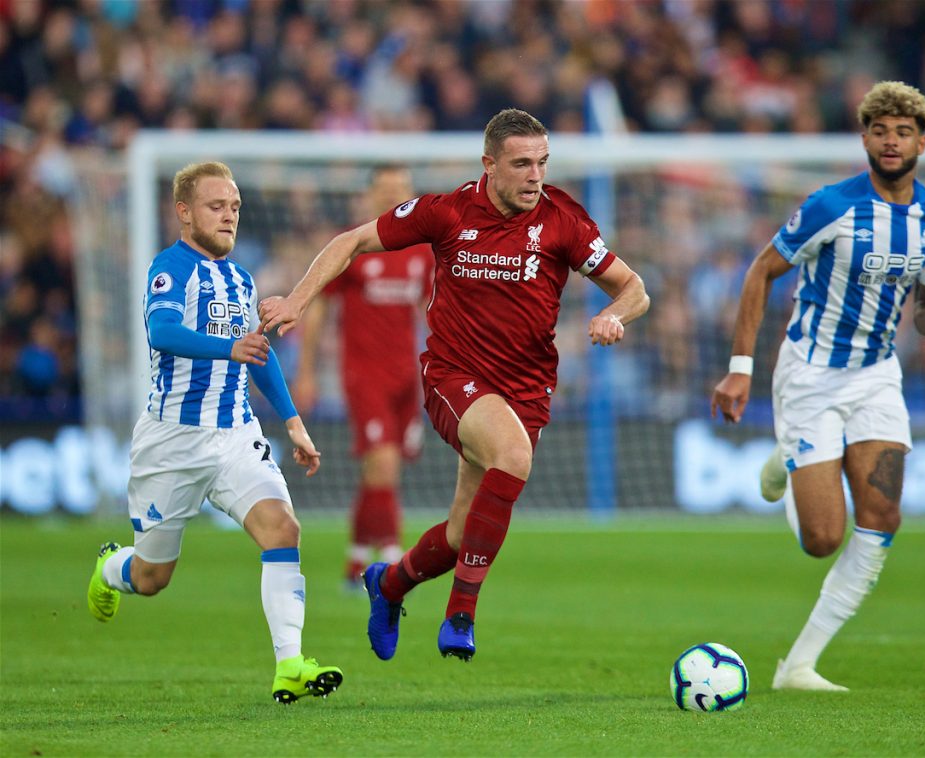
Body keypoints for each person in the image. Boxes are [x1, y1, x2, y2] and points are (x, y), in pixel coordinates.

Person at [260, 108, 650, 662]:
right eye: (521, 164)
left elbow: (634, 287)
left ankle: (388, 584)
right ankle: (460, 613)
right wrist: (298, 301)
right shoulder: (444, 212)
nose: (535, 176)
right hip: (453, 376)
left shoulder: (564, 219)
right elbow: (350, 241)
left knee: (465, 531)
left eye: (542, 162)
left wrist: (617, 314)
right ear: (489, 165)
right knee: (512, 456)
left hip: (527, 388)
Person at [711, 81, 925, 691]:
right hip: (812, 375)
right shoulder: (831, 205)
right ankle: (786, 460)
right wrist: (740, 371)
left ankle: (798, 666)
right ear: (865, 139)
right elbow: (761, 270)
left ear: (921, 141)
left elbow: (923, 307)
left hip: (877, 376)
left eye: (903, 131)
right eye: (880, 130)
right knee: (822, 539)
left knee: (883, 515)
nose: (891, 141)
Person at [85, 161, 343, 704]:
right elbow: (162, 330)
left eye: (234, 208)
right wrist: (230, 348)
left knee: (283, 529)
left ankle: (290, 664)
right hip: (171, 442)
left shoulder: (241, 278)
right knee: (153, 576)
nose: (228, 217)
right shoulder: (169, 268)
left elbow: (259, 354)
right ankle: (111, 568)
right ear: (184, 212)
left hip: (234, 434)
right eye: (215, 207)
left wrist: (293, 423)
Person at [292, 165, 433, 589]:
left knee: (379, 472)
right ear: (370, 197)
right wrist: (306, 371)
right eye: (386, 191)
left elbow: (434, 310)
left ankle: (355, 562)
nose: (394, 199)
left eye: (401, 191)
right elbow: (319, 307)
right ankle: (392, 562)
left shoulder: (422, 252)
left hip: (407, 376)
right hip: (363, 374)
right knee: (384, 465)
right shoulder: (352, 245)